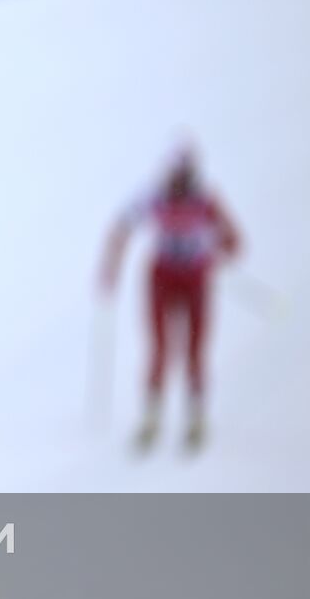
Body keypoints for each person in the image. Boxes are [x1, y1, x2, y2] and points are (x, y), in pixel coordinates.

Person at [100, 149, 240, 452]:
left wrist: (218, 248)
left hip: (195, 278)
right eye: (173, 175)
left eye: (183, 176)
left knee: (195, 347)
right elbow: (121, 228)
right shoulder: (154, 195)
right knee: (160, 347)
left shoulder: (205, 199)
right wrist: (110, 268)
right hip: (162, 277)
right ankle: (151, 418)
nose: (177, 182)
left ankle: (196, 418)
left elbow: (234, 241)